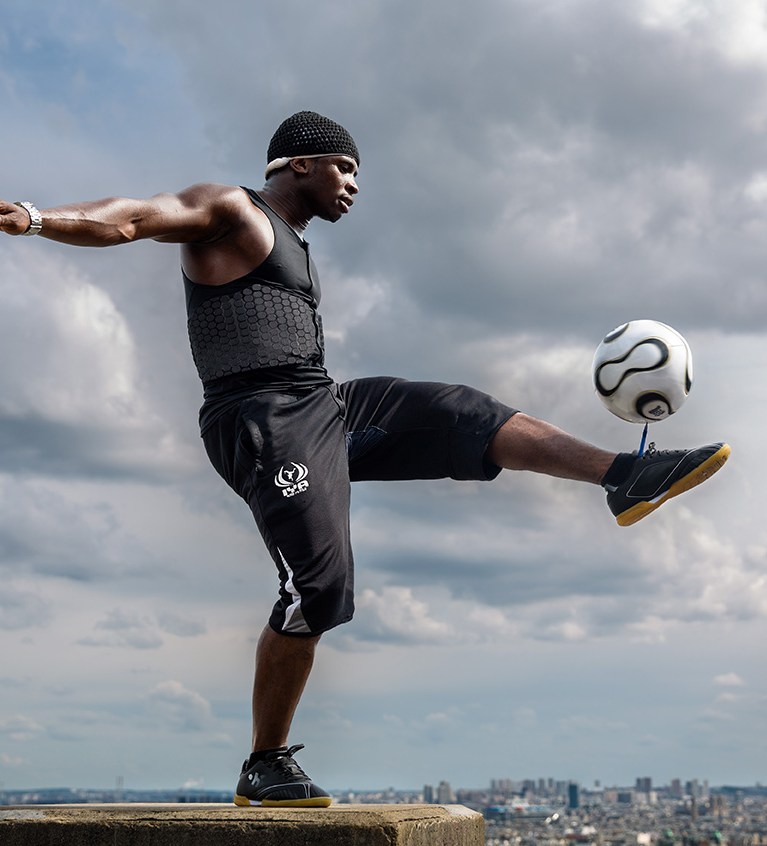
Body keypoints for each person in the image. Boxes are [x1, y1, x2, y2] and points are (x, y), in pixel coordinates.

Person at [0, 111, 730, 807]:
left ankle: (622, 476)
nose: (353, 184)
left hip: (324, 403)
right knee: (321, 588)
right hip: (260, 419)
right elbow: (129, 217)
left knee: (462, 413)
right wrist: (36, 217)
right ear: (300, 164)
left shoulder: (297, 243)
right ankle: (265, 763)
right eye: (345, 168)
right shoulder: (229, 207)